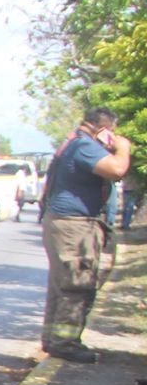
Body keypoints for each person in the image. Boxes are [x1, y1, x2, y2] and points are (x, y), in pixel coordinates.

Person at [39, 107, 133, 363]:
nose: (113, 138)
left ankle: (53, 340)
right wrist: (123, 147)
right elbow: (116, 169)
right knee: (76, 285)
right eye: (111, 133)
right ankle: (66, 343)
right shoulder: (84, 146)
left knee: (62, 285)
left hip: (65, 223)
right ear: (102, 129)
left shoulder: (73, 143)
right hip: (74, 226)